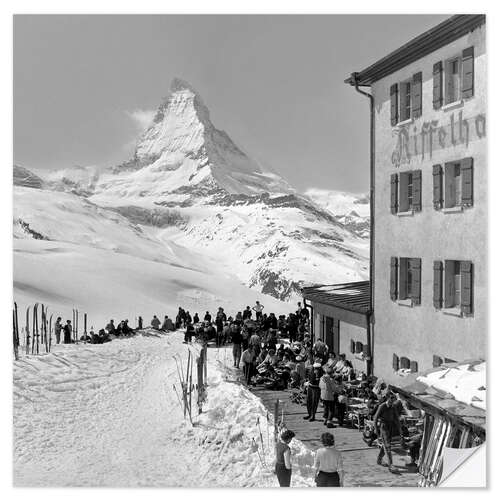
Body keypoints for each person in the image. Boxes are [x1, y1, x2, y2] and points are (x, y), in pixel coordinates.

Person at [373, 392, 402, 472]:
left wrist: (400, 430)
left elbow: (396, 419)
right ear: (388, 398)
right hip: (383, 427)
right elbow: (375, 418)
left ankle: (379, 459)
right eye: (391, 398)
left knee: (385, 445)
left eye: (394, 398)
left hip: (390, 427)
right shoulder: (382, 406)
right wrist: (376, 430)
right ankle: (391, 465)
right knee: (388, 446)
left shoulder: (393, 407)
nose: (393, 400)